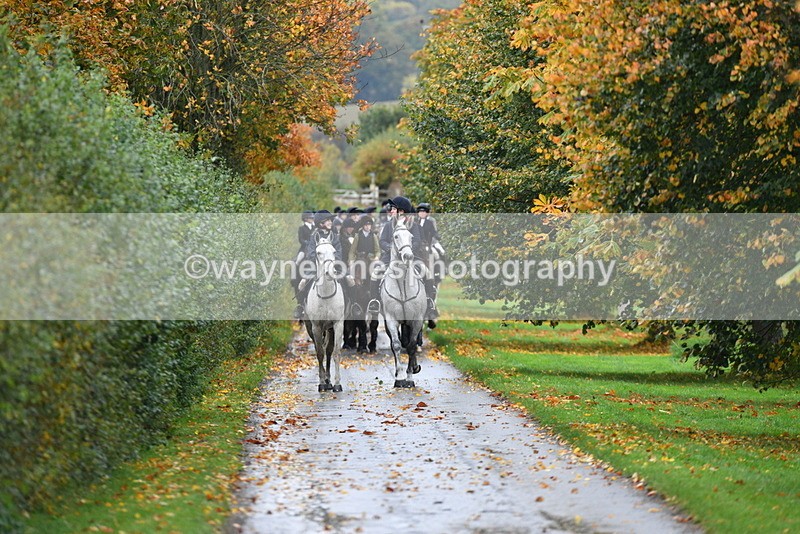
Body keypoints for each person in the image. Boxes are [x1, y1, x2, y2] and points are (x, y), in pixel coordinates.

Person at [367, 196, 439, 323]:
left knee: (426, 272)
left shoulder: (413, 225)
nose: (391, 211)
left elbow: (417, 241)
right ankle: (375, 301)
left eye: (393, 208)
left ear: (401, 211)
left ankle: (429, 301)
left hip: (411, 257)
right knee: (375, 273)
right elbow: (382, 241)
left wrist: (407, 250)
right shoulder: (389, 225)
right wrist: (391, 249)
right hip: (390, 258)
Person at [294, 210, 343, 319]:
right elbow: (311, 253)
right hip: (316, 267)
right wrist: (319, 263)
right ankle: (301, 306)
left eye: (331, 220)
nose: (331, 222)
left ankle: (353, 305)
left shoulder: (334, 235)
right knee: (302, 283)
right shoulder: (314, 236)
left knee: (350, 279)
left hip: (334, 265)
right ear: (321, 223)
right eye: (328, 220)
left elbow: (339, 251)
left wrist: (334, 262)